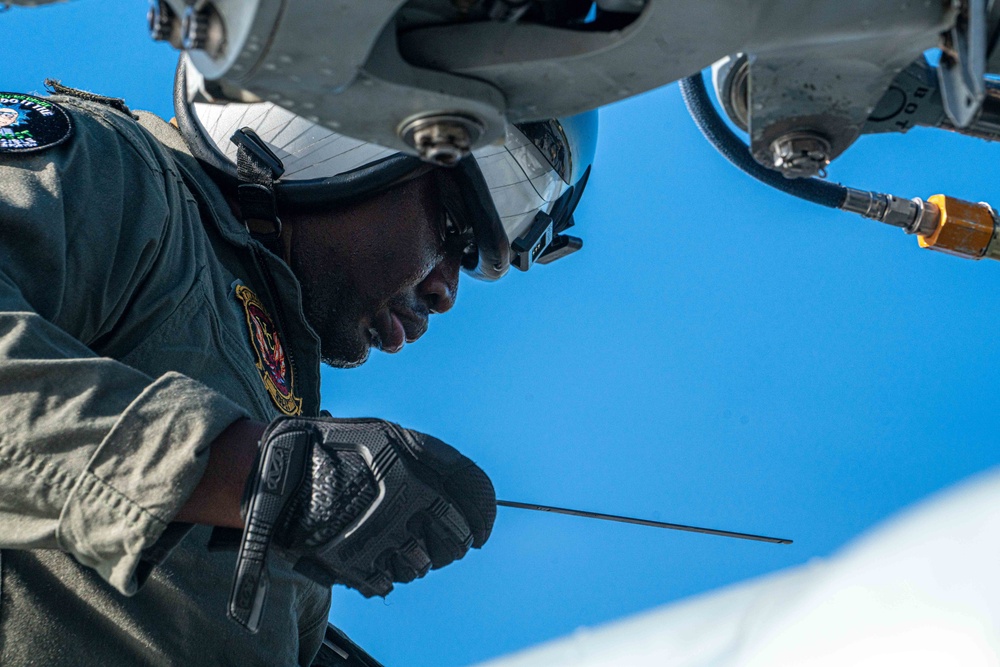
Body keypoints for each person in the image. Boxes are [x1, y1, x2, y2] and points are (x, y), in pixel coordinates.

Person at [0, 56, 596, 666]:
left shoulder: (279, 392)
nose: (447, 289)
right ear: (338, 131)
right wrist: (259, 473)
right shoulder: (116, 175)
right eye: (452, 228)